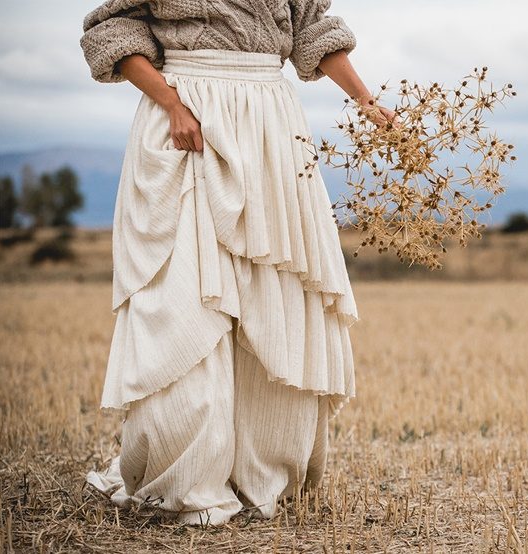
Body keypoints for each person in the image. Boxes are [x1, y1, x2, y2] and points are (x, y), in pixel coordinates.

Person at [79, 0, 394, 526]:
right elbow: (111, 32)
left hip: (271, 128)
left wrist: (365, 100)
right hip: (189, 120)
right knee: (185, 295)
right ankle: (187, 478)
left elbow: (312, 30)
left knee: (276, 293)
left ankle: (261, 472)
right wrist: (170, 103)